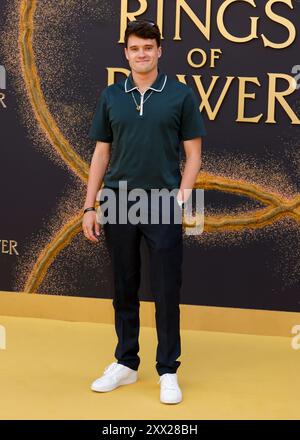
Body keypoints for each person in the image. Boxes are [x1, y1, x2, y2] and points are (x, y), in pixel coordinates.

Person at [82, 19, 207, 404]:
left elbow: (194, 154)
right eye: (135, 48)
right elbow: (101, 152)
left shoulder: (180, 95)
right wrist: (90, 205)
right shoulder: (111, 96)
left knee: (166, 289)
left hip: (161, 202)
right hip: (117, 201)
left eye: (148, 48)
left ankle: (168, 370)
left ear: (159, 51)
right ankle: (126, 362)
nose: (142, 54)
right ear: (126, 53)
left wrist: (182, 197)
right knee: (124, 286)